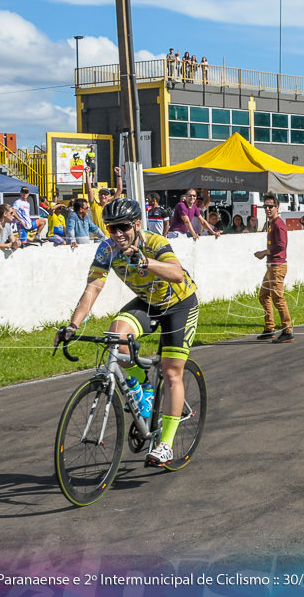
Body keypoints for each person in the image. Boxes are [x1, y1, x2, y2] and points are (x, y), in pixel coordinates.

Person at [54, 198, 200, 468]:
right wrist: (73, 325)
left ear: (136, 224)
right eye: (111, 228)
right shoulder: (107, 249)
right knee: (116, 336)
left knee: (171, 372)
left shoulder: (154, 243)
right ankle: (140, 384)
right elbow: (93, 288)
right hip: (149, 302)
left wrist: (146, 262)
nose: (118, 233)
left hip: (179, 304)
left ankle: (165, 445)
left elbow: (178, 274)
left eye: (122, 226)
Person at [253, 192, 294, 343]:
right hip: (271, 266)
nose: (268, 209)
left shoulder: (278, 224)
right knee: (263, 296)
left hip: (277, 266)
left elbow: (282, 246)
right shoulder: (271, 223)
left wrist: (264, 252)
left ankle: (287, 330)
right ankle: (269, 328)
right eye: (266, 206)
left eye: (271, 206)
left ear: (277, 207)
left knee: (278, 298)